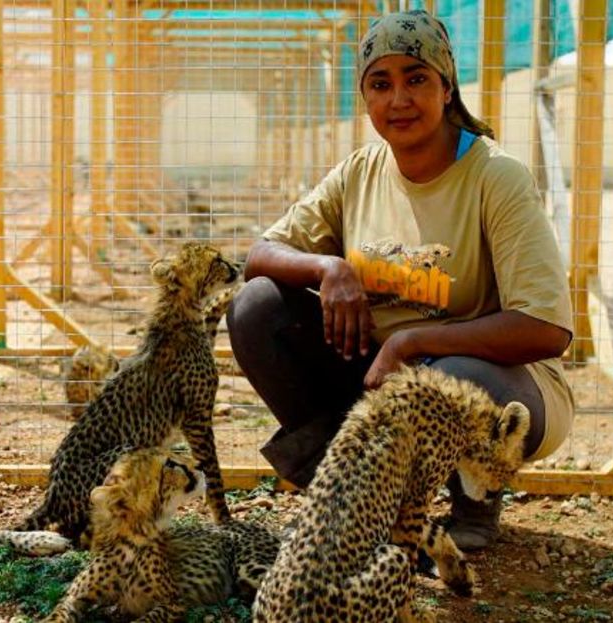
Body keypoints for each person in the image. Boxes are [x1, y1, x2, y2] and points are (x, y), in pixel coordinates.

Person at [226, 9, 575, 551]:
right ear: (364, 97)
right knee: (256, 308)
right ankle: (346, 500)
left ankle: (474, 506)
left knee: (454, 375)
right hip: (379, 376)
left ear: (446, 84)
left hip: (497, 381)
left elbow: (545, 329)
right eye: (379, 83)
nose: (399, 99)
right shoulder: (359, 172)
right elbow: (259, 254)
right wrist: (329, 267)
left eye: (416, 78)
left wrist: (414, 341)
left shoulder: (495, 177)